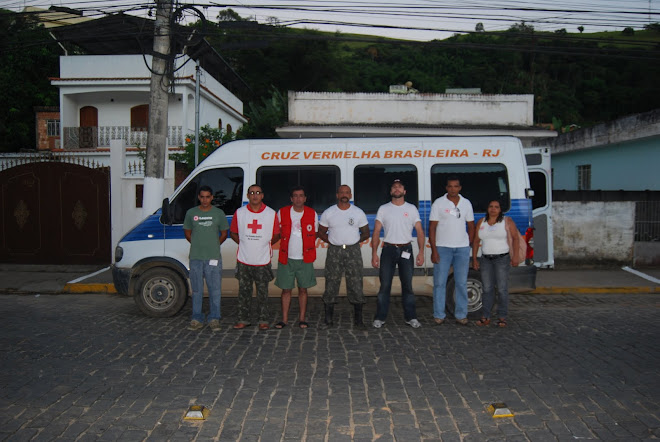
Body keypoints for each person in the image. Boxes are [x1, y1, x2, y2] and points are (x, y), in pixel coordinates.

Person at [371, 180, 425, 328]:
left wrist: (421, 252)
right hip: (388, 250)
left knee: (407, 286)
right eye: (394, 187)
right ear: (390, 192)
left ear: (404, 191)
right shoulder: (383, 209)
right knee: (385, 286)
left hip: (406, 250)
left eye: (400, 186)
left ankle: (411, 317)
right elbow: (376, 231)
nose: (397, 188)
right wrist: (374, 253)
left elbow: (420, 231)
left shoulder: (412, 208)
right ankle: (380, 317)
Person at [318, 185, 370, 328]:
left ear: (350, 195)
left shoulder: (358, 212)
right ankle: (328, 320)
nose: (344, 195)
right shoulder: (329, 212)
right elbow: (321, 232)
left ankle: (359, 321)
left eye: (347, 192)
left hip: (353, 251)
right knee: (331, 283)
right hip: (334, 251)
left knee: (356, 283)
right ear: (337, 195)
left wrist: (353, 242)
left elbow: (366, 233)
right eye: (342, 192)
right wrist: (333, 242)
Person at [230, 184, 280, 330]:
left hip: (262, 260)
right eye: (252, 193)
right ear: (248, 196)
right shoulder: (240, 213)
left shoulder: (271, 214)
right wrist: (244, 243)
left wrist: (264, 243)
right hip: (244, 260)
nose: (255, 195)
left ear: (262, 195)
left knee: (262, 293)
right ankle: (243, 319)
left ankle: (263, 319)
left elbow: (276, 234)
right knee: (243, 292)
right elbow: (233, 232)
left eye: (258, 192)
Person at [428, 176, 475, 325]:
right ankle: (439, 314)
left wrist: (469, 244)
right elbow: (432, 227)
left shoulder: (466, 203)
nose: (453, 189)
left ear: (460, 188)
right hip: (443, 248)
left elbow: (471, 226)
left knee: (461, 283)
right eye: (450, 186)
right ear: (446, 188)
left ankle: (461, 314)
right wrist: (434, 250)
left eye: (456, 186)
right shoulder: (439, 203)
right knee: (440, 283)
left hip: (462, 248)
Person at [183, 185, 229, 331]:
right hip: (196, 258)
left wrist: (213, 245)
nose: (205, 199)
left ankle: (214, 318)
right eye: (202, 197)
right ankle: (197, 318)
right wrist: (199, 245)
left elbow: (223, 234)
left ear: (212, 198)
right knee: (196, 290)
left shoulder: (218, 213)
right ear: (199, 198)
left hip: (213, 257)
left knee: (215, 290)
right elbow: (188, 233)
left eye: (207, 197)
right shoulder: (191, 213)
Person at [274, 186, 318, 329]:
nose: (298, 198)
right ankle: (284, 320)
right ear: (291, 198)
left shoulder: (312, 213)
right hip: (287, 258)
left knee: (303, 289)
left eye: (301, 195)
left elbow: (314, 234)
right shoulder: (282, 212)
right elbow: (277, 232)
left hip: (305, 258)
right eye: (295, 196)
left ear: (305, 198)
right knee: (286, 290)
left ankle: (302, 319)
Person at [472, 200, 520, 328]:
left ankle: (502, 317)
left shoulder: (507, 221)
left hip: (502, 259)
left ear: (500, 209)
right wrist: (475, 259)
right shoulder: (481, 222)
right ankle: (486, 316)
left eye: (496, 207)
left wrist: (515, 256)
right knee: (487, 289)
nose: (493, 209)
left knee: (502, 289)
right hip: (485, 259)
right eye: (491, 206)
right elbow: (476, 241)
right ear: (487, 208)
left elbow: (515, 238)